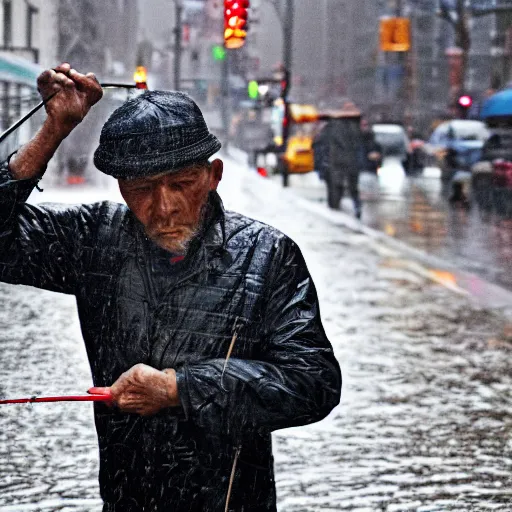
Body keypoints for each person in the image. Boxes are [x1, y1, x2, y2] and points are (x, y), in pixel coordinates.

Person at [0, 64, 341, 511]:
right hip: (127, 498)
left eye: (182, 184)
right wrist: (53, 131)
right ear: (120, 188)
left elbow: (313, 383)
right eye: (142, 189)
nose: (164, 208)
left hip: (234, 501)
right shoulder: (95, 239)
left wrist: (179, 388)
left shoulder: (268, 254)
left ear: (214, 175)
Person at [323, 104, 365, 218]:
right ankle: (341, 208)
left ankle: (343, 208)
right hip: (342, 160)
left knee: (344, 186)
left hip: (343, 160)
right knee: (343, 186)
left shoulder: (339, 125)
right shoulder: (352, 126)